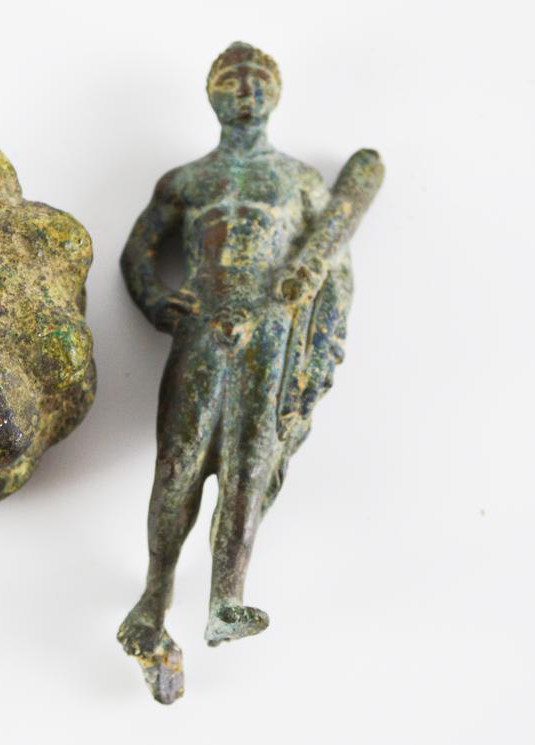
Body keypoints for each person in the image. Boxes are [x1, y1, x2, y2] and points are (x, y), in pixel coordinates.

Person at [118, 42, 378, 704]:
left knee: (250, 462)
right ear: (211, 93)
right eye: (231, 79)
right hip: (203, 324)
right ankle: (153, 597)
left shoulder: (299, 181)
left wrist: (320, 342)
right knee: (177, 463)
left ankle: (226, 598)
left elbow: (335, 268)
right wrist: (157, 301)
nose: (246, 89)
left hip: (269, 326)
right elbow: (137, 252)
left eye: (258, 78)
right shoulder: (186, 181)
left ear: (276, 91)